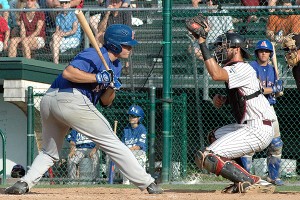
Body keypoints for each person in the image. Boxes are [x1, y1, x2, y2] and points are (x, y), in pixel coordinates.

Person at [4, 24, 163, 195]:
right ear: (115, 45)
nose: (131, 48)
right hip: (69, 98)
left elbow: (106, 102)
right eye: (127, 44)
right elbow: (69, 73)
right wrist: (97, 77)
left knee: (49, 153)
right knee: (112, 142)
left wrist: (111, 87)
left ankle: (24, 183)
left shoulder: (115, 67)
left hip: (52, 102)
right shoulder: (94, 54)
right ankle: (148, 183)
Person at [186, 14, 280, 193]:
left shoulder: (242, 67)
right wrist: (224, 98)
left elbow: (216, 74)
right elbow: (244, 95)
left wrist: (202, 43)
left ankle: (250, 180)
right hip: (249, 125)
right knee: (214, 136)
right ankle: (246, 179)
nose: (221, 49)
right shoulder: (237, 69)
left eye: (224, 46)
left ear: (236, 49)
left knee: (207, 157)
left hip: (257, 128)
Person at [239, 40, 284, 186]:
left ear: (270, 54)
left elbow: (276, 94)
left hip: (269, 108)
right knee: (249, 144)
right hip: (254, 108)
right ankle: (247, 178)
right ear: (257, 53)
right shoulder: (251, 68)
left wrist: (278, 89)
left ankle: (273, 177)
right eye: (261, 51)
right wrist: (274, 89)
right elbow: (258, 90)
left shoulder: (273, 70)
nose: (263, 53)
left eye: (266, 51)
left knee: (276, 144)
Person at [121, 105, 148, 185]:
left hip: (138, 153)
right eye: (130, 116)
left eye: (134, 116)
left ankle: (140, 179)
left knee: (138, 158)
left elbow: (139, 146)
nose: (131, 118)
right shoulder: (126, 129)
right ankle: (126, 182)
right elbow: (122, 144)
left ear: (139, 118)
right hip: (128, 153)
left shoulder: (142, 129)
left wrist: (127, 150)